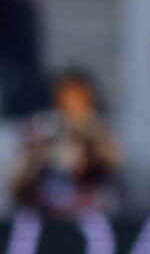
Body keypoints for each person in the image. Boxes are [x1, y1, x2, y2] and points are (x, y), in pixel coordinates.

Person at [8, 69, 121, 218]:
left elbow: (115, 163)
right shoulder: (42, 131)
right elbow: (14, 185)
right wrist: (42, 151)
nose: (72, 110)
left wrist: (92, 137)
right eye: (66, 102)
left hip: (93, 218)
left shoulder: (100, 133)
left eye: (79, 102)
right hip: (48, 218)